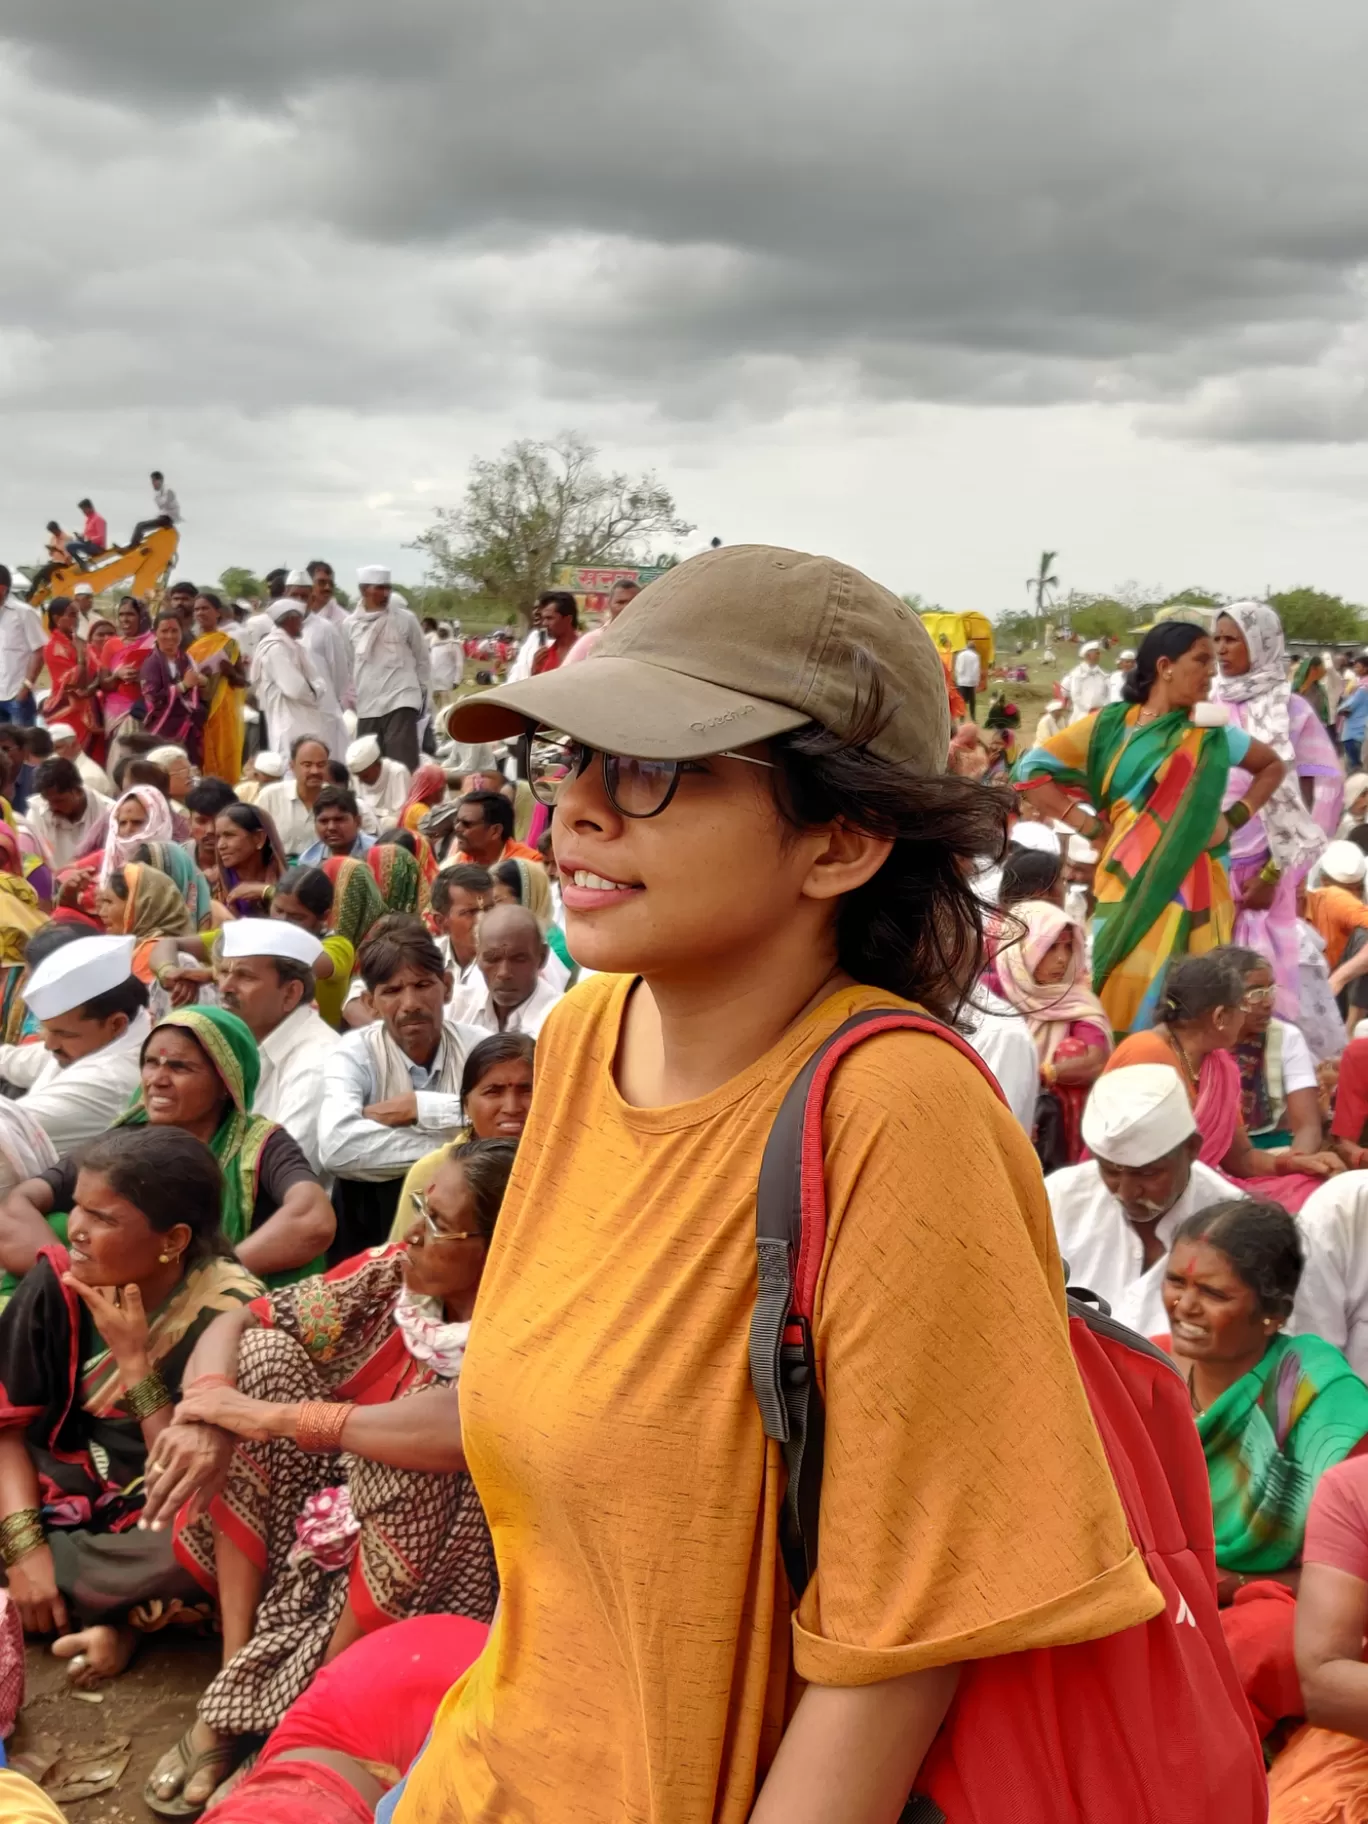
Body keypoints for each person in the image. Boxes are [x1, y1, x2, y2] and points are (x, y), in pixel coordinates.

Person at [383, 543, 1162, 1824]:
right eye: (571, 759)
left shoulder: (895, 1116)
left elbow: (898, 1659)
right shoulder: (585, 1036)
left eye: (650, 770)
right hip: (485, 1772)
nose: (577, 812)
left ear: (842, 843)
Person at [140, 1141, 510, 1815]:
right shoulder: (391, 1278)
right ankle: (235, 1674)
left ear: (501, 1245)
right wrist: (210, 1409)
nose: (413, 1232)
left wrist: (268, 1417)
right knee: (262, 1357)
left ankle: (301, 1719)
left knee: (398, 1457)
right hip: (333, 1510)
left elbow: (459, 1428)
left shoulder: (530, 1328)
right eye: (419, 1206)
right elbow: (239, 1321)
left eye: (438, 1222)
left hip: (450, 1564)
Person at [0, 1128, 261, 1687]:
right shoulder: (56, 1280)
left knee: (200, 1555)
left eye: (104, 1219)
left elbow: (187, 1484)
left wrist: (135, 1361)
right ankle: (107, 1615)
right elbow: (8, 1431)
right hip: (50, 1475)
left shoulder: (229, 1313)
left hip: (155, 1500)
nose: (77, 1231)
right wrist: (25, 1551)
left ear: (173, 1239)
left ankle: (103, 1618)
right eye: (76, 1209)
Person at [1016, 621, 1286, 1034]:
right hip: (1125, 882)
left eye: (1213, 662)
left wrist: (1235, 818)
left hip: (1197, 884)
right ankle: (1111, 1073)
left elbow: (1271, 765)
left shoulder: (1208, 731)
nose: (1211, 672)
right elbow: (1030, 771)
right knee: (1116, 994)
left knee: (1195, 1003)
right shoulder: (1111, 726)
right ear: (1165, 667)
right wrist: (1089, 828)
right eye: (1201, 660)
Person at [0, 1007, 334, 1294]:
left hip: (216, 1304)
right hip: (119, 1296)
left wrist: (206, 1282)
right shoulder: (124, 1139)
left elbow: (312, 1219)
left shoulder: (260, 1145)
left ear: (225, 1083)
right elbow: (21, 1202)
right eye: (150, 1063)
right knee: (57, 1229)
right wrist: (70, 1281)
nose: (157, 1079)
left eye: (179, 1067)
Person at [1162, 1198, 1368, 1594]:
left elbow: (1352, 1570)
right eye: (1175, 1282)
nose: (1184, 1307)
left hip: (1281, 1602)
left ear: (1274, 1311)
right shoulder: (1146, 1374)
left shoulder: (1322, 1397)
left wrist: (1236, 1585)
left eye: (1213, 1294)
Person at [1107, 953, 1342, 1212]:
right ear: (1220, 1017)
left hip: (1200, 1187)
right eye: (1242, 1007)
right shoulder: (1145, 1053)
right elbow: (1137, 1164)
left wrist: (1294, 1164)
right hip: (1143, 1198)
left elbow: (1241, 1158)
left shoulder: (1219, 1064)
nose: (1251, 1014)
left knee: (1315, 1190)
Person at [319, 921, 484, 1254]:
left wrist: (418, 1108)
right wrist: (459, 1143)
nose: (410, 1003)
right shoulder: (355, 1053)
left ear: (448, 987)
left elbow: (519, 1121)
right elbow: (337, 1147)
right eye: (392, 991)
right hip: (373, 1228)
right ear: (370, 1002)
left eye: (423, 985)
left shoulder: (479, 1048)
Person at [1211, 604, 1341, 1022]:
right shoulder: (1209, 703)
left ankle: (1264, 1062)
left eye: (1232, 640)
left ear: (1260, 644)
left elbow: (1312, 797)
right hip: (1208, 858)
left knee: (1258, 976)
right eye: (1217, 639)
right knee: (1208, 973)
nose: (1221, 649)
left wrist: (1274, 874)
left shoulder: (1292, 711)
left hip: (1264, 865)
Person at [1047, 1064, 1244, 1337]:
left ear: (1191, 1149)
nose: (1126, 1193)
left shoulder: (1235, 1226)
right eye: (1111, 1170)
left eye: (1147, 1173)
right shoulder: (1060, 1198)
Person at [0, 935, 151, 1154]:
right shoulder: (97, 1042)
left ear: (116, 1024)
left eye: (62, 1033)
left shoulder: (108, 1078)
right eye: (46, 1029)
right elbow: (17, 1061)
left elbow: (10, 1127)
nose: (49, 1044)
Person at [212, 919, 340, 1174]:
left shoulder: (317, 1064)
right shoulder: (236, 1040)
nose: (225, 987)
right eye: (224, 972)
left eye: (245, 976)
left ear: (291, 993)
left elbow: (276, 1176)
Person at [994, 897, 1112, 1167]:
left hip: (1048, 1120)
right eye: (1050, 948)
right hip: (993, 1103)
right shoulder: (992, 991)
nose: (1061, 959)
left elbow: (1096, 1060)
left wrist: (1043, 1074)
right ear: (1020, 948)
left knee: (1071, 1052)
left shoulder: (1076, 1001)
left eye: (1068, 947)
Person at [388, 1034, 536, 1242]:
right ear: (466, 1104)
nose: (511, 1107)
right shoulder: (433, 1171)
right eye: (493, 1091)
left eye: (527, 1090)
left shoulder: (570, 1167)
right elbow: (406, 1257)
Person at [1223, 945, 1324, 1154]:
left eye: (1270, 990)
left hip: (1274, 1152)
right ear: (1223, 999)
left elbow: (1308, 1127)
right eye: (1256, 994)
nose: (1268, 1003)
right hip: (1212, 1157)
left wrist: (1297, 1165)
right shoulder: (1203, 1044)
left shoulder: (1286, 1037)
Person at [347, 567, 430, 774]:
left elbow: (422, 659)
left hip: (402, 699)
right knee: (368, 764)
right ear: (364, 590)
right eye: (379, 588)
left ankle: (407, 805)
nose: (385, 594)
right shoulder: (349, 625)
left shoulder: (405, 619)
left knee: (402, 765)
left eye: (388, 588)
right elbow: (349, 664)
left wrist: (423, 695)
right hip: (368, 703)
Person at [449, 903, 563, 1038]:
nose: (504, 973)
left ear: (542, 957)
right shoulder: (456, 1008)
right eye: (492, 959)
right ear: (478, 957)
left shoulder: (562, 1019)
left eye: (518, 959)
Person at [251, 600, 339, 763]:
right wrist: (316, 692)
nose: (302, 625)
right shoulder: (275, 648)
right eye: (299, 620)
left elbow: (316, 679)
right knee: (292, 762)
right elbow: (296, 689)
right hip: (289, 719)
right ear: (290, 621)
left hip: (302, 716)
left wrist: (317, 688)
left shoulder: (293, 646)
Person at [187, 591, 248, 785]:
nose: (200, 613)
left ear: (218, 612)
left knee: (225, 755)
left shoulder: (229, 644)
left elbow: (242, 681)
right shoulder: (189, 644)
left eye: (205, 608)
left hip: (223, 711)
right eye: (197, 609)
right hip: (199, 709)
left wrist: (229, 672)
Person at [141, 610, 207, 761]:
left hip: (188, 728)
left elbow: (198, 693)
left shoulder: (187, 659)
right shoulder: (151, 664)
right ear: (154, 633)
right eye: (164, 631)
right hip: (162, 730)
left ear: (182, 632)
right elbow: (152, 698)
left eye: (174, 630)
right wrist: (182, 686)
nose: (170, 636)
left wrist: (203, 682)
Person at [26, 756, 112, 869]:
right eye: (48, 801)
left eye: (59, 801)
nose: (52, 807)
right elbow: (29, 861)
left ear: (77, 791)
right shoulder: (37, 812)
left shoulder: (109, 813)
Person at [256, 735, 333, 861]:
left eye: (321, 765)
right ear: (292, 766)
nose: (314, 771)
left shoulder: (338, 799)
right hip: (279, 873)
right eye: (307, 765)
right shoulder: (270, 796)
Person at [39, 595, 96, 753]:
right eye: (71, 615)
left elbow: (95, 669)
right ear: (57, 618)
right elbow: (74, 680)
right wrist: (81, 657)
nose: (76, 619)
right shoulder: (52, 647)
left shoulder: (76, 641)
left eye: (76, 615)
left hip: (86, 706)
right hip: (68, 709)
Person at [213, 802, 287, 919]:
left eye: (229, 835)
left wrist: (265, 891)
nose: (220, 845)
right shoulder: (211, 884)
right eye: (218, 837)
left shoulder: (288, 878)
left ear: (259, 838)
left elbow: (300, 908)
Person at [429, 864, 490, 989]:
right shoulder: (425, 961)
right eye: (470, 912)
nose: (483, 920)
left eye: (489, 909)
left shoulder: (508, 964)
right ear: (440, 922)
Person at [0, 566, 47, 727]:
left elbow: (39, 651)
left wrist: (26, 687)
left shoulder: (24, 613)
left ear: (2, 589)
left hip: (17, 696)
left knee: (23, 745)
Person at [448, 789, 540, 867]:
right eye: (457, 821)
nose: (457, 828)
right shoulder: (457, 862)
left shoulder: (529, 865)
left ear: (495, 831)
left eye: (466, 823)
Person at [564, 576, 640, 668]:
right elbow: (565, 672)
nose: (627, 607)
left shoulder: (652, 640)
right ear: (609, 604)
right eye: (620, 602)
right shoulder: (592, 640)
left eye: (633, 602)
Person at [345, 733, 411, 831]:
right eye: (357, 776)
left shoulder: (398, 772)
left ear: (377, 765)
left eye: (365, 776)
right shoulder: (357, 777)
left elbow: (402, 817)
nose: (360, 781)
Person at [298, 785, 376, 866]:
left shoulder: (378, 854)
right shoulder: (308, 861)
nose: (331, 827)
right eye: (324, 821)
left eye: (339, 819)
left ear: (358, 821)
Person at [184, 775, 239, 883]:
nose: (210, 830)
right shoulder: (176, 860)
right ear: (189, 823)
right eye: (201, 821)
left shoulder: (248, 859)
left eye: (217, 821)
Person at [47, 719, 112, 796]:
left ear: (74, 745)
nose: (53, 754)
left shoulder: (87, 777)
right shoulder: (67, 769)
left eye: (58, 748)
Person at [530, 592, 580, 676]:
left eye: (549, 618)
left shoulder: (587, 649)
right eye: (543, 618)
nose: (544, 623)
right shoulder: (544, 655)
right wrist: (535, 671)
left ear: (568, 619)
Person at [129, 470, 181, 546]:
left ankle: (133, 546)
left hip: (167, 519)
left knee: (140, 526)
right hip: (164, 518)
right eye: (152, 481)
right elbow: (162, 505)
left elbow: (164, 504)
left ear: (160, 481)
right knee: (140, 526)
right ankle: (135, 544)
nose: (153, 484)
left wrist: (159, 499)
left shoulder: (168, 491)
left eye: (154, 481)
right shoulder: (160, 493)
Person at [397, 762, 448, 835]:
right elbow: (441, 827)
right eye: (441, 784)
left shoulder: (419, 807)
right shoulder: (418, 809)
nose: (444, 788)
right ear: (430, 789)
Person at [1062, 639, 1110, 715]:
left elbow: (1108, 693)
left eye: (1099, 653)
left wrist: (1103, 707)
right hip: (1082, 714)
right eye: (1097, 653)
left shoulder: (1103, 674)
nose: (1099, 656)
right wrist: (1088, 708)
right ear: (1088, 655)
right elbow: (1075, 696)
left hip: (1100, 714)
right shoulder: (1077, 673)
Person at [67, 497, 107, 563]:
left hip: (98, 547)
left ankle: (81, 563)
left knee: (70, 546)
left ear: (90, 507)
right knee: (72, 543)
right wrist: (80, 536)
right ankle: (80, 562)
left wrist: (90, 540)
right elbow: (87, 534)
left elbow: (101, 537)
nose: (83, 512)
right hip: (89, 544)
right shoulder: (88, 520)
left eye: (84, 509)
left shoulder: (98, 519)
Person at [952, 642, 981, 720]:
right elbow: (976, 670)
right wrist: (976, 681)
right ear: (973, 648)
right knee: (972, 701)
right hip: (971, 681)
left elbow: (958, 668)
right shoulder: (975, 656)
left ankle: (962, 717)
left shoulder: (960, 655)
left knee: (962, 700)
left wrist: (958, 677)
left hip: (961, 681)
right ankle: (973, 717)